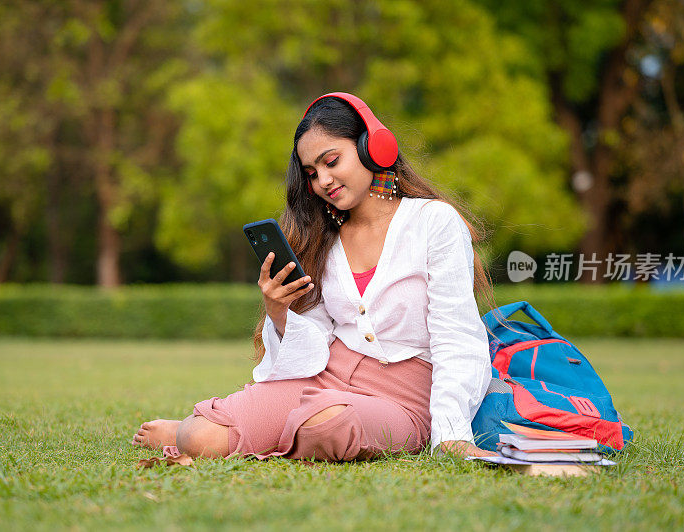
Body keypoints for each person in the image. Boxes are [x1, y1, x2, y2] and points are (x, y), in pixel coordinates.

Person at [132, 92, 496, 461]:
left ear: (373, 146)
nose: (323, 179)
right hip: (324, 375)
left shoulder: (434, 222)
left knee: (326, 425)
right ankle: (191, 429)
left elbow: (457, 334)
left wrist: (450, 432)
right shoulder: (323, 238)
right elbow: (314, 345)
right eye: (311, 173)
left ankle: (284, 428)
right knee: (198, 438)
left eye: (331, 161)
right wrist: (279, 313)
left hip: (403, 395)